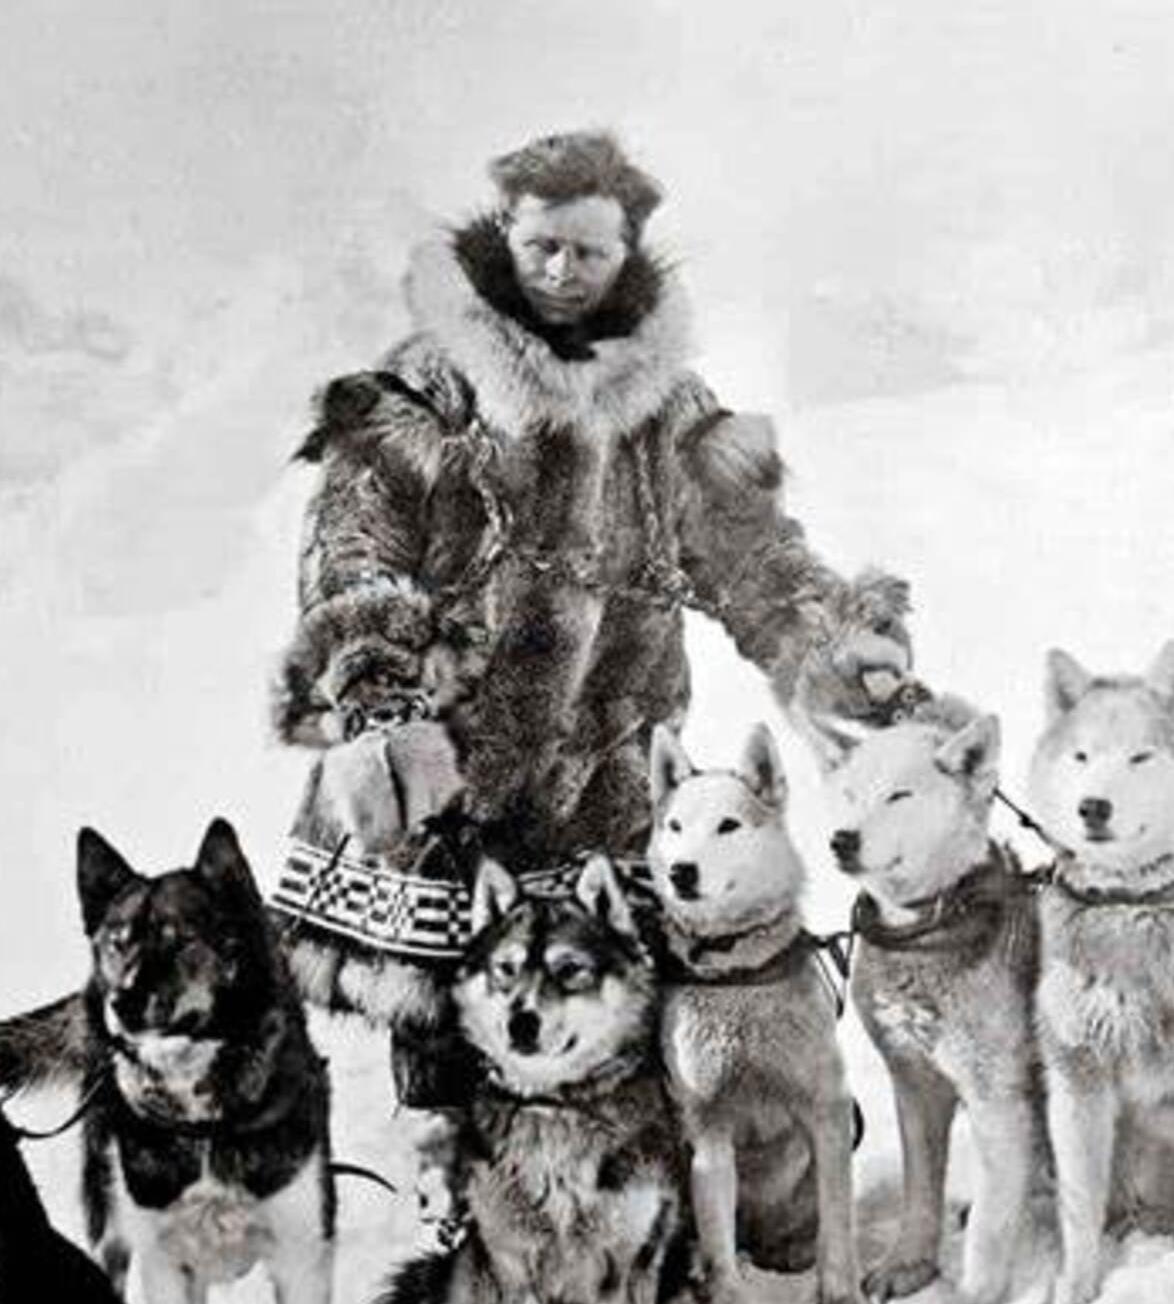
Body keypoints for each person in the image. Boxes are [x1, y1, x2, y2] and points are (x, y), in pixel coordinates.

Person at [273, 128, 914, 1109]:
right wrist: (382, 696)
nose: (561, 271)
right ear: (505, 236)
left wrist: (836, 644)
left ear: (628, 254)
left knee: (625, 1047)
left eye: (588, 251)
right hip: (452, 787)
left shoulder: (672, 410)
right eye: (542, 246)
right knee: (464, 1060)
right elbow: (353, 551)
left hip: (607, 786)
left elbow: (751, 556)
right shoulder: (424, 389)